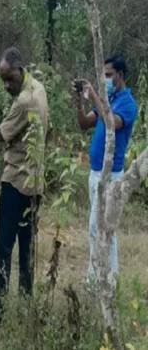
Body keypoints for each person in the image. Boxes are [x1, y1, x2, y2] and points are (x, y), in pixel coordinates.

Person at [0, 47, 48, 324]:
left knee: (3, 249)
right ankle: (26, 308)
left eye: (9, 79)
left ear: (19, 69)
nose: (6, 85)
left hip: (15, 181)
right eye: (3, 80)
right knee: (27, 249)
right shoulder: (40, 88)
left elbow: (0, 135)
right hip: (35, 183)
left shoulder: (24, 101)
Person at [73, 55, 137, 281]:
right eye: (103, 75)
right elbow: (84, 123)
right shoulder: (107, 98)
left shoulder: (128, 103)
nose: (105, 79)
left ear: (120, 75)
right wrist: (80, 101)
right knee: (102, 229)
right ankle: (107, 277)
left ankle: (98, 280)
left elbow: (111, 123)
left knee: (98, 228)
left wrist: (94, 95)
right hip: (95, 173)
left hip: (111, 175)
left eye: (109, 75)